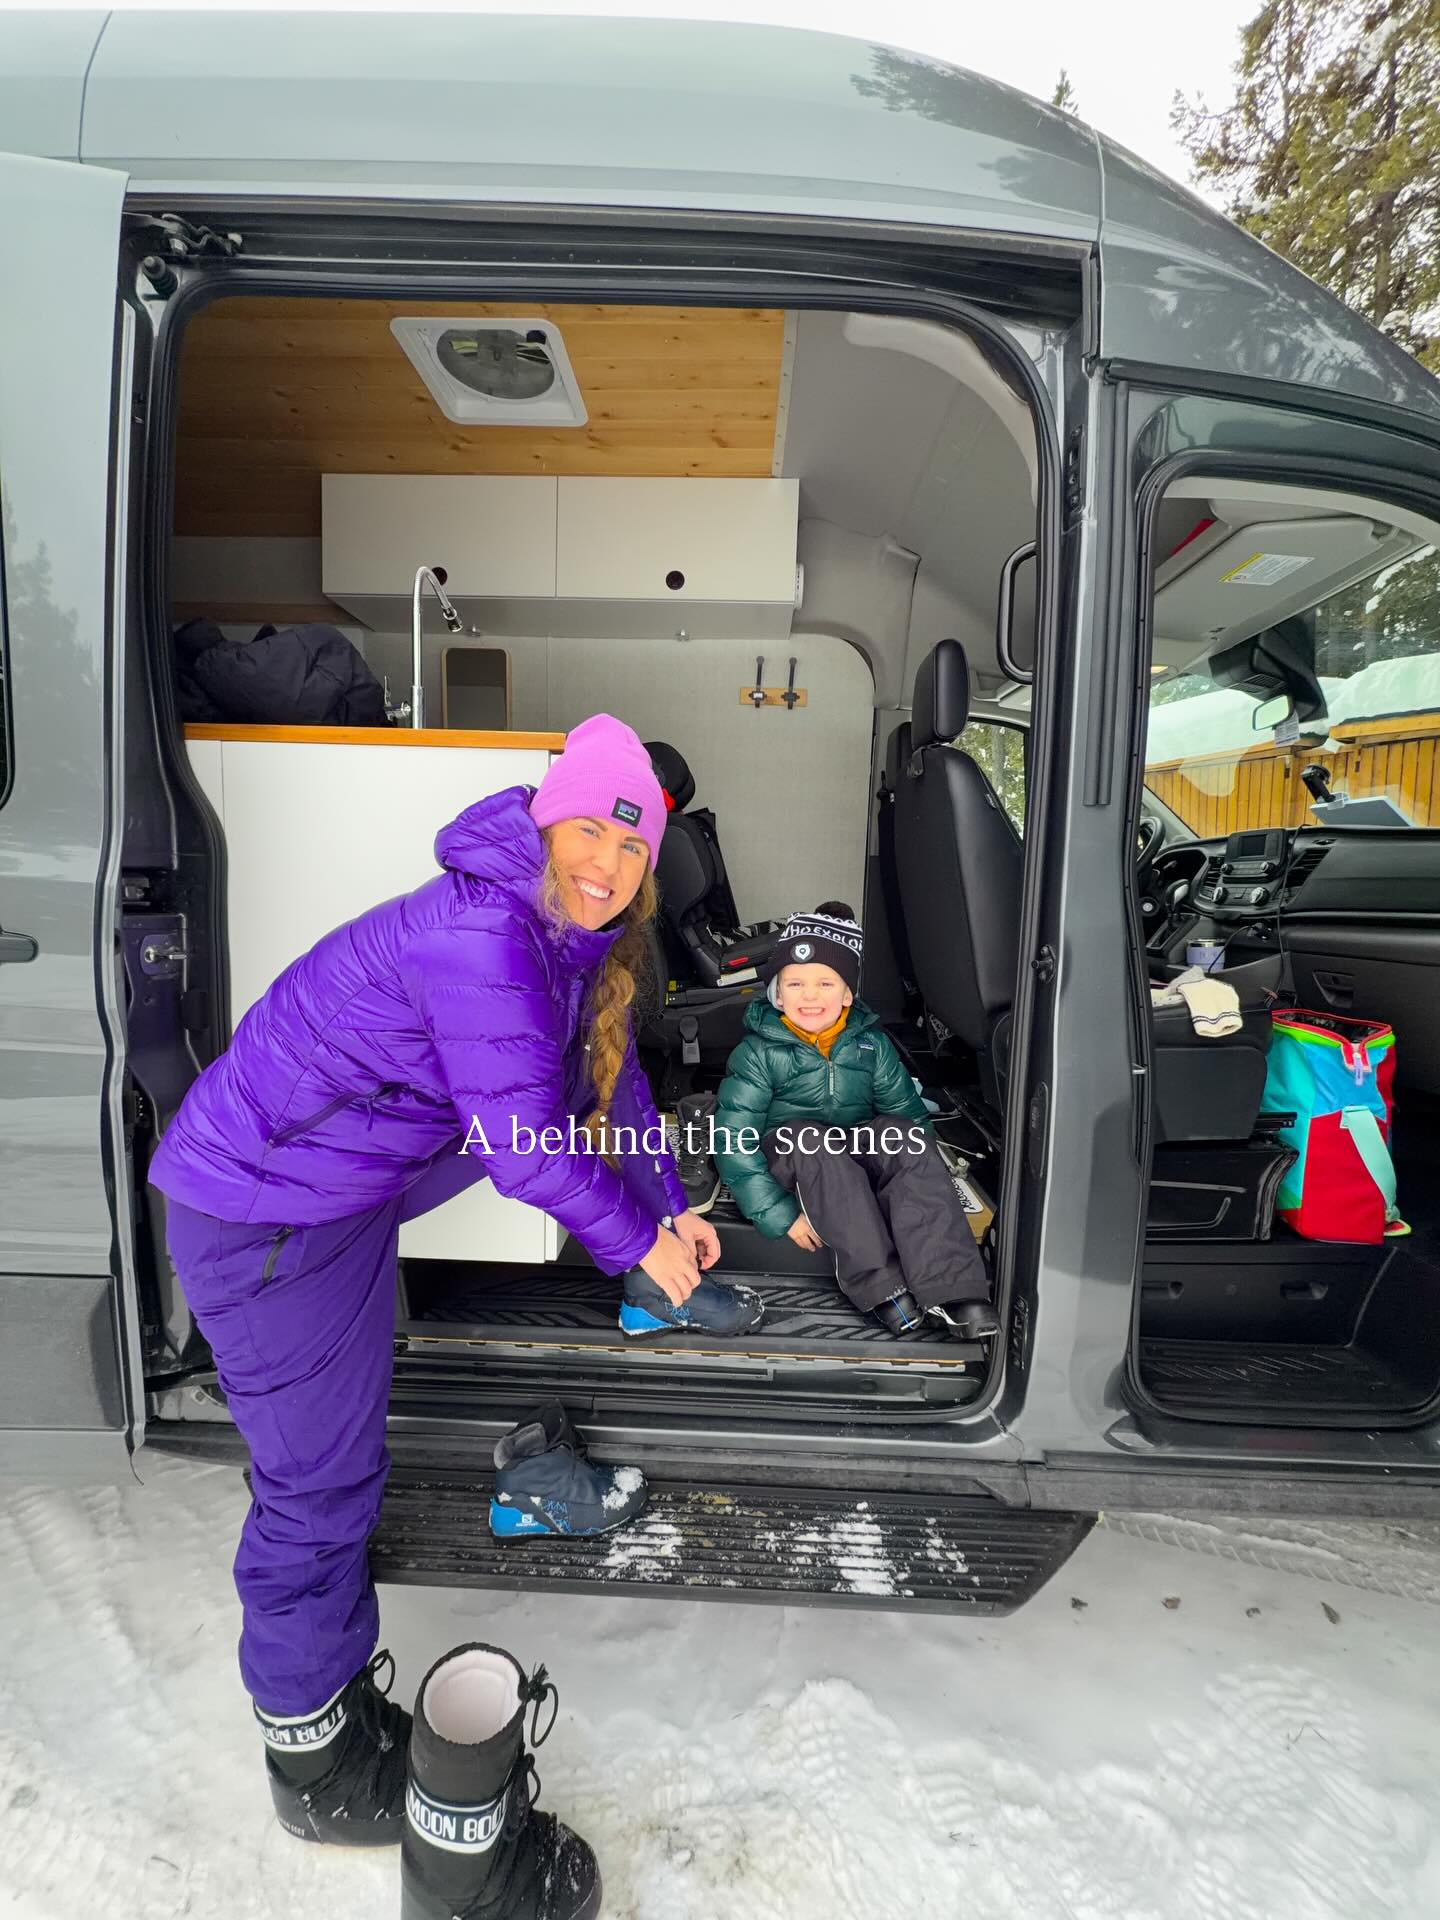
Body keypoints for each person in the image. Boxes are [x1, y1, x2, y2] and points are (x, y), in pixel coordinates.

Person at [147, 713, 762, 1851]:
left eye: (633, 850)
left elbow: (610, 1086)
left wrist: (669, 1203)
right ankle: (315, 1763)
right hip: (266, 1210)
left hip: (334, 1200)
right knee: (315, 1489)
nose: (607, 866)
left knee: (335, 1462)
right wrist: (639, 1250)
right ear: (547, 819)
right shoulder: (483, 937)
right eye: (589, 831)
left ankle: (330, 1697)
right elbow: (526, 1148)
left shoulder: (581, 940)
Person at [712, 902, 1000, 1339]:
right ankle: (881, 1284)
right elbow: (732, 1138)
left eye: (825, 983)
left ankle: (953, 1287)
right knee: (807, 1139)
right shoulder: (758, 1053)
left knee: (900, 1135)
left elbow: (908, 1114)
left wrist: (925, 1177)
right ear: (777, 995)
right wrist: (779, 1215)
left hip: (852, 1149)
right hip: (795, 1156)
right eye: (796, 984)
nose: (810, 995)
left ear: (847, 994)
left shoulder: (870, 1046)